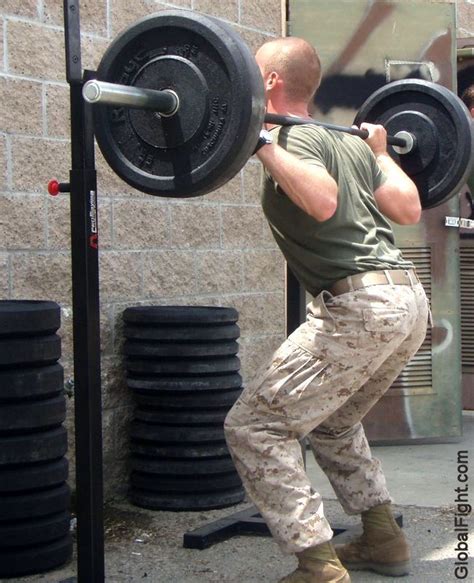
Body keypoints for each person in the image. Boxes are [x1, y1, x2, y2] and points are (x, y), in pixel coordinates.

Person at [224, 37, 430, 583]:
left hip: (360, 304)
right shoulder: (352, 144)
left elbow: (320, 202)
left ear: (270, 83)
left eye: (253, 70)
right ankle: (383, 538)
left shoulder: (292, 137)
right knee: (335, 424)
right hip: (406, 299)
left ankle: (317, 564)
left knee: (256, 427)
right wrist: (382, 154)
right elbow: (408, 208)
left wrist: (265, 144)